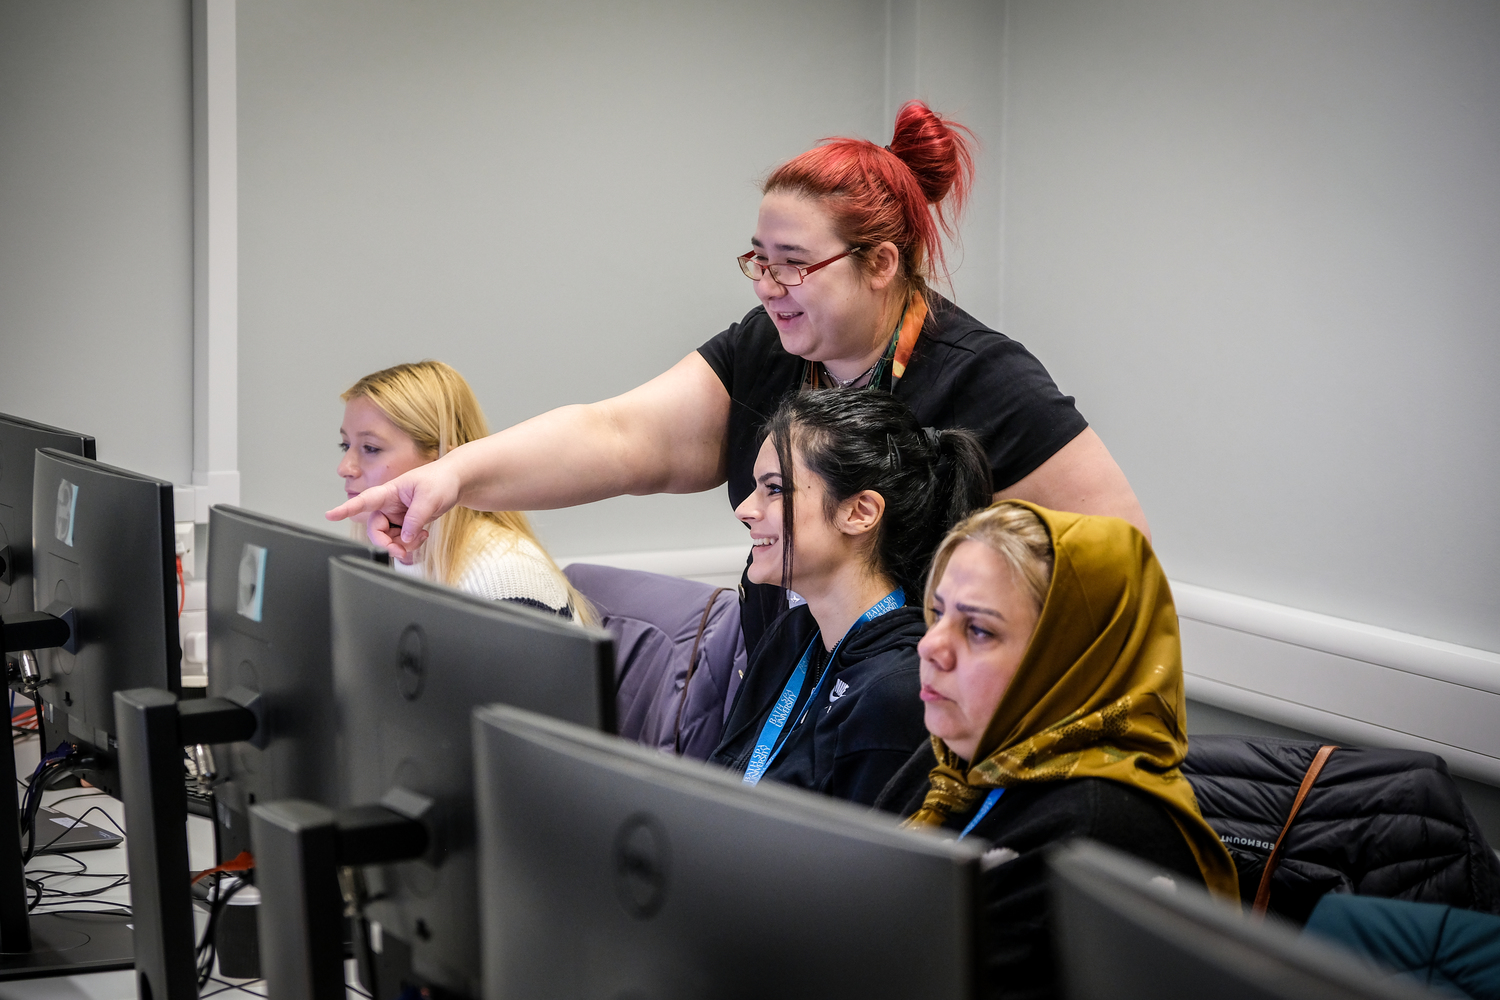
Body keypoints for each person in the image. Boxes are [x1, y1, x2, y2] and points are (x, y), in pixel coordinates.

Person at [327, 101, 1148, 653]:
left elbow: (1119, 569)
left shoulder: (984, 382)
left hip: (909, 731)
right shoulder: (772, 349)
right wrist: (453, 477)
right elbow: (618, 435)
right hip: (781, 695)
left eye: (793, 264)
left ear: (881, 265)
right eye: (759, 259)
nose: (765, 285)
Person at [875, 500, 1238, 1000]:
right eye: (937, 614)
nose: (930, 645)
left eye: (978, 629)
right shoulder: (951, 762)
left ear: (1067, 661)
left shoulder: (1101, 830)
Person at [708, 390, 992, 806]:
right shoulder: (792, 635)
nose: (745, 509)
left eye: (774, 489)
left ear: (860, 513)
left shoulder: (898, 692)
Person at [338, 360, 590, 622]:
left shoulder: (506, 574)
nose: (345, 467)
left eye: (370, 448)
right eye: (345, 446)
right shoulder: (397, 560)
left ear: (440, 460)